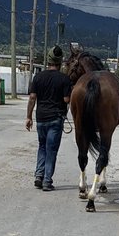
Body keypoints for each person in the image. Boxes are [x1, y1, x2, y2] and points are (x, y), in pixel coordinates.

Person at [26, 46, 72, 190]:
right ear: (60, 62)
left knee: (42, 147)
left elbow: (32, 98)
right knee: (51, 149)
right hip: (55, 119)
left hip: (40, 118)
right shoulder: (64, 79)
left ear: (48, 61)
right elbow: (66, 99)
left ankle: (38, 176)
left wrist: (28, 117)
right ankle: (47, 181)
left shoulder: (38, 77)